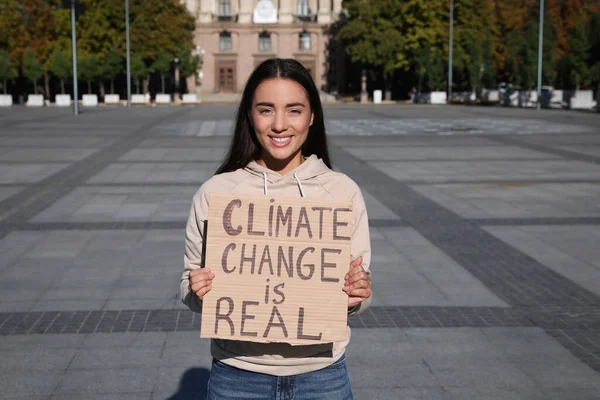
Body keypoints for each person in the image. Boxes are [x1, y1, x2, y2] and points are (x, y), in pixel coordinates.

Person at [181, 58, 372, 400]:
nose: (280, 125)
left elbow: (357, 291)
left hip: (322, 378)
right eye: (266, 110)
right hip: (236, 378)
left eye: (294, 110)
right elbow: (188, 285)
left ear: (312, 116)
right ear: (249, 115)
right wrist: (197, 290)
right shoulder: (215, 193)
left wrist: (358, 293)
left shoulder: (343, 192)